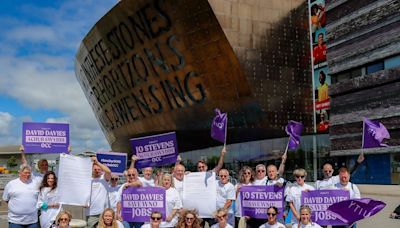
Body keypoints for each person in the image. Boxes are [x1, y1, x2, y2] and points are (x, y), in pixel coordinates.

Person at [86, 156, 112, 228]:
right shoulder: (87, 179)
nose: (97, 171)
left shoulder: (104, 178)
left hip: (103, 213)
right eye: (95, 169)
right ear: (91, 170)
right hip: (90, 213)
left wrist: (97, 162)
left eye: (99, 169)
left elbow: (108, 171)